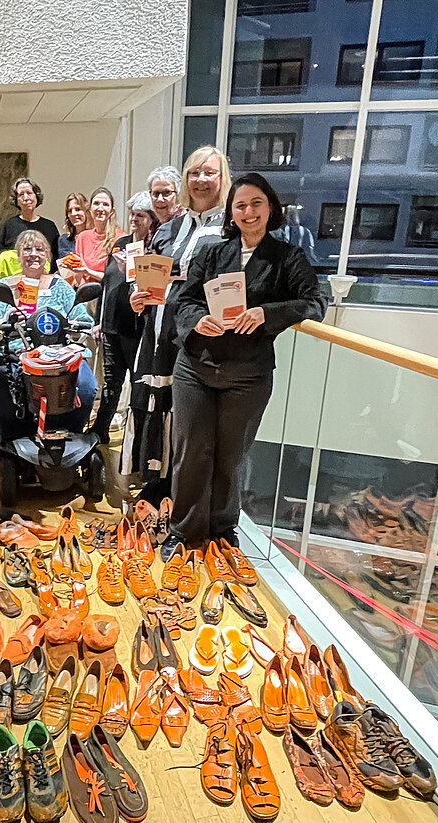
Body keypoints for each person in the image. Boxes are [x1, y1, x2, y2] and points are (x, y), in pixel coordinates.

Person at [160, 173, 329, 559]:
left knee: (230, 454)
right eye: (240, 205)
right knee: (190, 451)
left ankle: (222, 530)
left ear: (271, 208)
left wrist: (266, 313)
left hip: (247, 375)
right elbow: (182, 301)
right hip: (195, 367)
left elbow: (315, 303)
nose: (248, 212)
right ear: (231, 213)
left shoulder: (288, 258)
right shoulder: (212, 253)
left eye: (256, 203)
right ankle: (183, 531)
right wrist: (196, 320)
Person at [121, 146, 231, 504]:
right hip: (157, 330)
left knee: (189, 414)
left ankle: (184, 490)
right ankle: (156, 479)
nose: (200, 180)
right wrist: (139, 299)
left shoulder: (229, 229)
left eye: (209, 173)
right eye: (194, 173)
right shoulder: (168, 229)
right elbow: (152, 279)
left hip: (200, 337)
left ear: (222, 178)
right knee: (155, 401)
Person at [0, 230, 97, 440]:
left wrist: (73, 330)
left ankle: (71, 433)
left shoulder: (61, 287)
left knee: (86, 387)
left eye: (40, 249)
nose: (34, 254)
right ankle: (12, 438)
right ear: (18, 255)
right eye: (27, 249)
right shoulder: (6, 286)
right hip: (15, 353)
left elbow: (83, 320)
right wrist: (4, 323)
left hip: (58, 356)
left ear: (48, 256)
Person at [91, 191, 157, 444]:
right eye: (132, 214)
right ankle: (100, 429)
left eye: (140, 215)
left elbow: (149, 290)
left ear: (151, 219)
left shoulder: (153, 249)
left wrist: (129, 270)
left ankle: (136, 439)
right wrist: (99, 321)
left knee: (138, 384)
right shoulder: (120, 244)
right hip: (111, 325)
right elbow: (106, 285)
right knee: (111, 382)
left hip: (136, 327)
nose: (134, 220)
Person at [0, 177, 60, 275]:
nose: (26, 198)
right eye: (21, 194)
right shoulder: (8, 226)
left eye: (29, 193)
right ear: (16, 200)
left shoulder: (49, 226)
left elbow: (55, 257)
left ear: (36, 196)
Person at [74, 188, 126, 282]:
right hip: (85, 292)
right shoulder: (82, 237)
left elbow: (116, 278)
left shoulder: (121, 238)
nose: (100, 208)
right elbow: (78, 278)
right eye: (96, 203)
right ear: (90, 209)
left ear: (111, 211)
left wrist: (88, 272)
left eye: (105, 204)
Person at [58, 192, 93, 258]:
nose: (73, 214)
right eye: (70, 211)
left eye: (78, 209)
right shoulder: (64, 240)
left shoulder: (96, 238)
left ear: (86, 211)